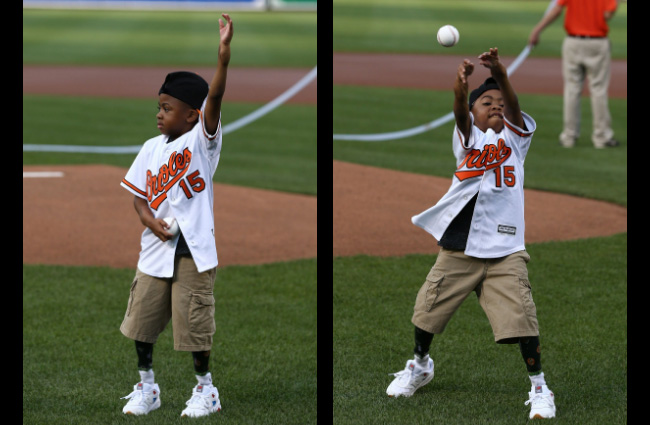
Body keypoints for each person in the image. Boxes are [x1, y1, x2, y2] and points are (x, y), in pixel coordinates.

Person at [386, 48, 556, 420]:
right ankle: (419, 366)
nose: (495, 106)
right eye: (486, 102)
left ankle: (540, 388)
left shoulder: (515, 143)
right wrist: (461, 88)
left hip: (505, 250)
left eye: (500, 103)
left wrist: (501, 73)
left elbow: (512, 105)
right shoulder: (468, 141)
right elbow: (459, 112)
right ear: (475, 114)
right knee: (426, 311)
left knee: (523, 319)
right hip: (458, 248)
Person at [118, 13, 233, 418]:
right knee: (142, 324)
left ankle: (206, 390)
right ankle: (147, 388)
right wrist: (148, 219)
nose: (159, 113)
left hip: (193, 251)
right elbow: (137, 196)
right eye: (158, 106)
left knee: (194, 326)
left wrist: (222, 59)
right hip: (154, 250)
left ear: (192, 115)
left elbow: (214, 99)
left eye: (167, 108)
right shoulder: (151, 148)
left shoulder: (204, 143)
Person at [528, 0, 619, 148]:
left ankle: (569, 137)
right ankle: (601, 137)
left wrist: (537, 30)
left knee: (572, 89)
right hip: (597, 42)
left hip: (573, 41)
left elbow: (557, 10)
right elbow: (607, 15)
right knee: (598, 90)